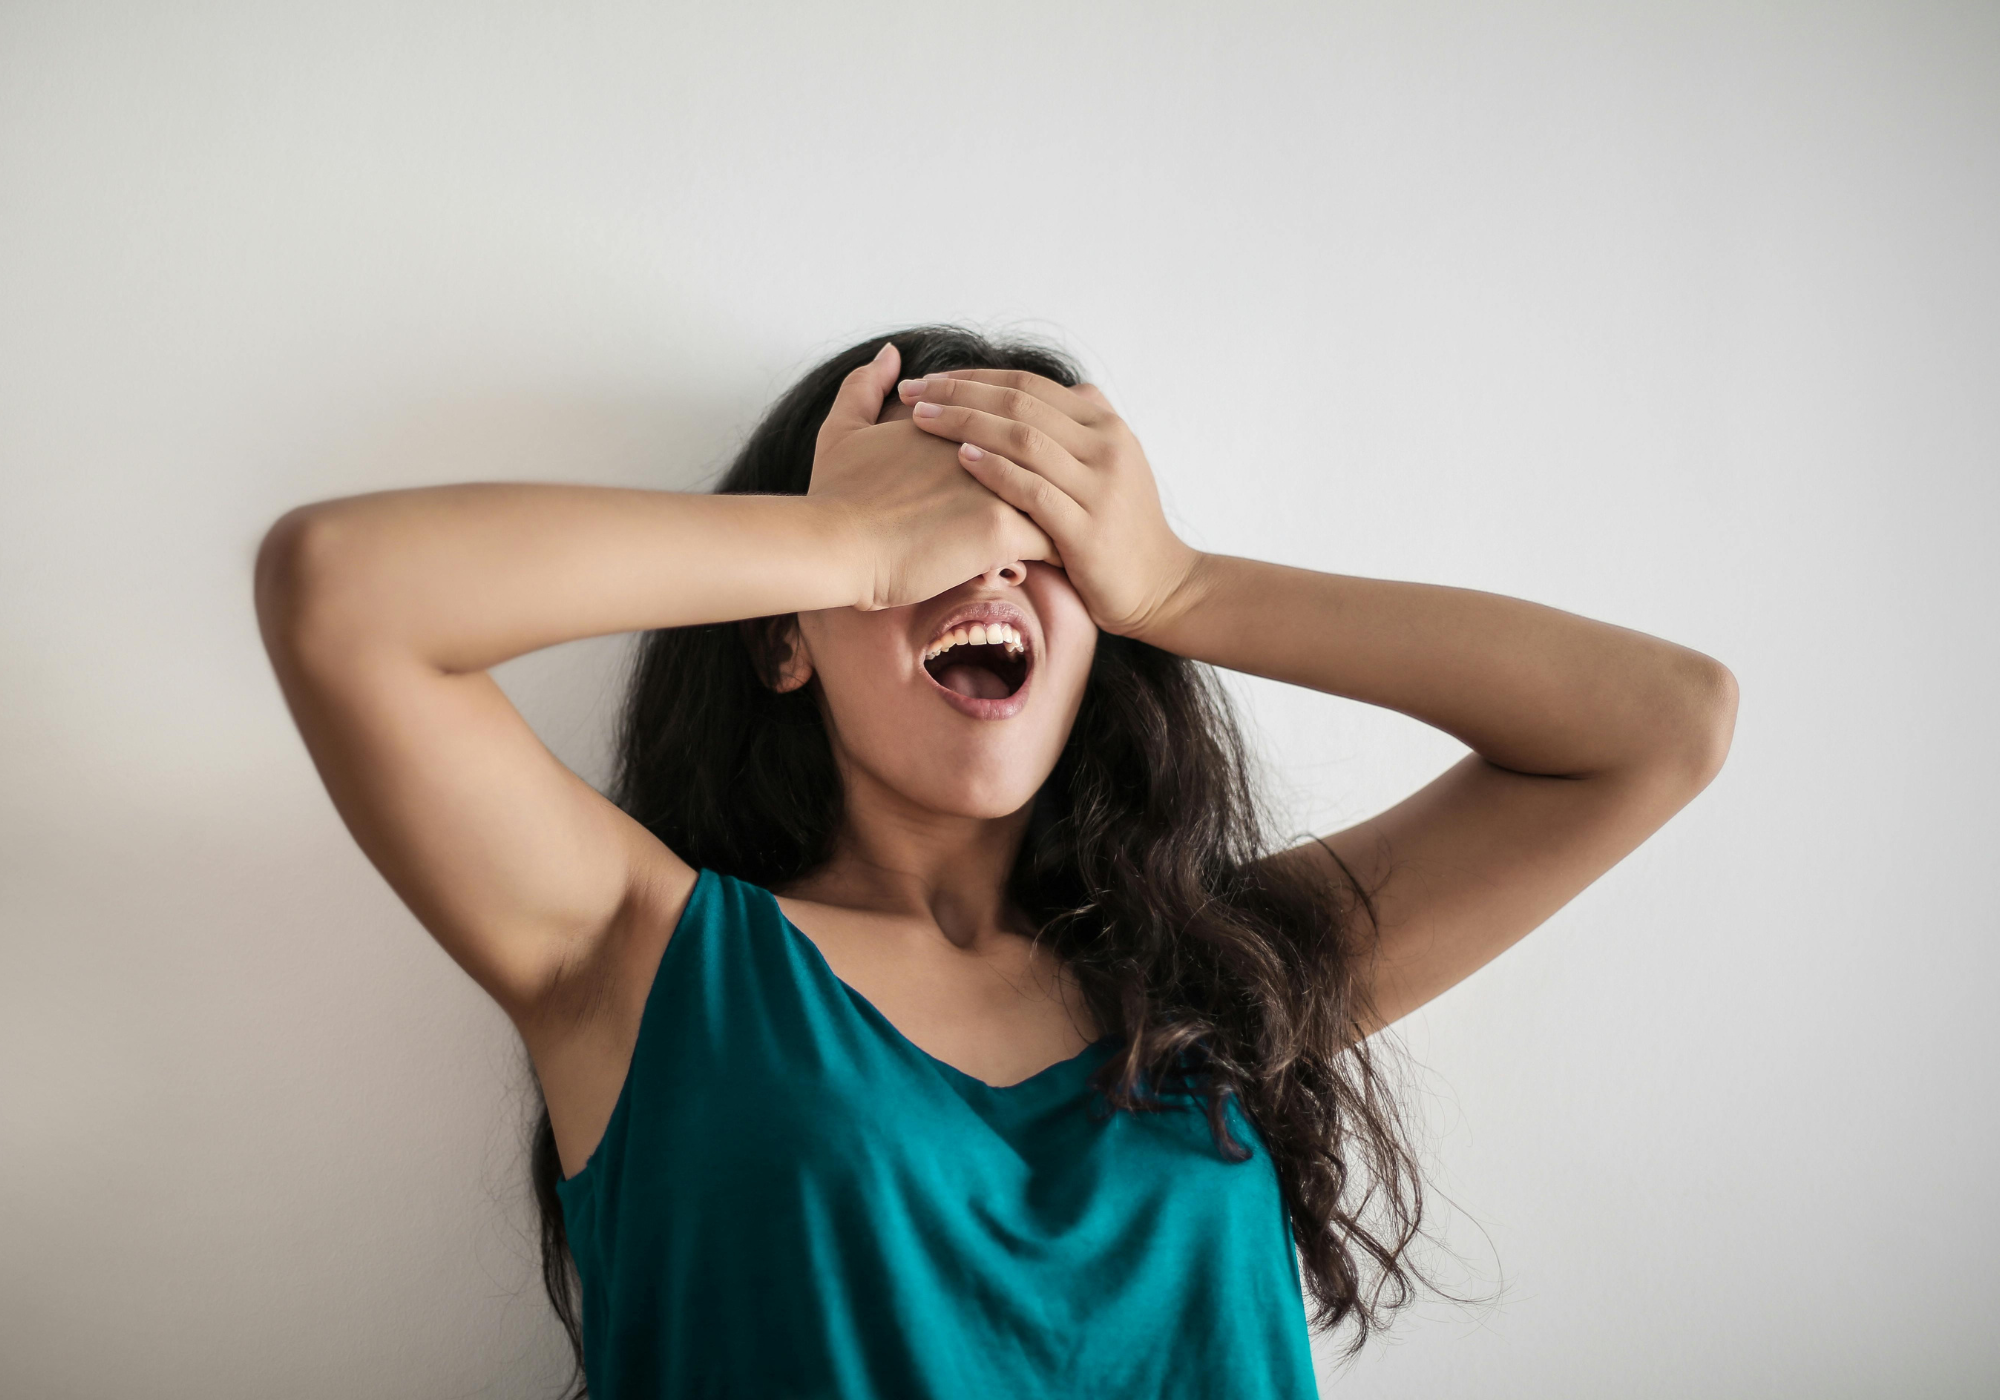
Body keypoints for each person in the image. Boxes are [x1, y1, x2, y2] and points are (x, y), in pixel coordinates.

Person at [254, 325, 1736, 1398]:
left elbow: (1662, 724)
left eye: (1039, 532)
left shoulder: (1220, 973)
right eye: (933, 520)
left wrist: (1182, 582)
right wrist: (846, 544)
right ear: (783, 639)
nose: (989, 559)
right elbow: (341, 593)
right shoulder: (647, 961)